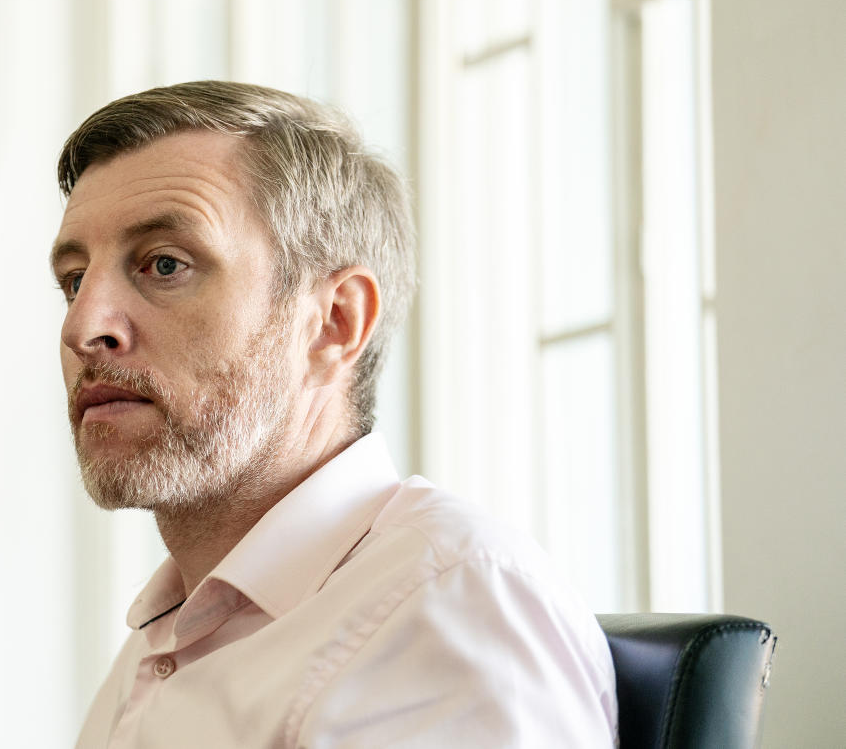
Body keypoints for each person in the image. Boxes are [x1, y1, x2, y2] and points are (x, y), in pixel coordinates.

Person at [50, 81, 618, 747]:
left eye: (165, 264)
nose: (84, 325)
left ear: (334, 323)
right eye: (74, 279)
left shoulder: (449, 610)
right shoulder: (162, 641)